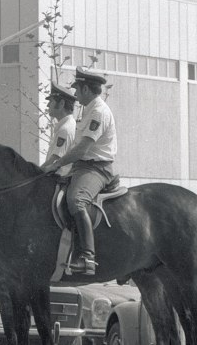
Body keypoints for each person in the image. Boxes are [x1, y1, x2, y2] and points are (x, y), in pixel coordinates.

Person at [41, 68, 116, 275]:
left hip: (96, 168)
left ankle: (87, 258)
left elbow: (82, 149)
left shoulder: (98, 112)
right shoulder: (90, 110)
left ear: (85, 88)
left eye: (78, 89)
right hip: (82, 166)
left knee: (77, 200)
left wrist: (57, 164)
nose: (76, 93)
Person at [41, 82, 77, 177]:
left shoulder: (65, 129)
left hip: (58, 178)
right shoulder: (66, 125)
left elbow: (54, 160)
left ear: (61, 104)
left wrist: (35, 172)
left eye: (51, 101)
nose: (48, 105)